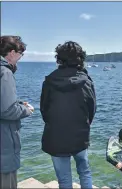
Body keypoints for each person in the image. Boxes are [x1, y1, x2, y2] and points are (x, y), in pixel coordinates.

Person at [40, 41, 96, 189]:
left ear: (59, 58)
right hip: (79, 135)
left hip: (56, 136)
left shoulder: (50, 81)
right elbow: (91, 110)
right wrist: (84, 124)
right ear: (80, 58)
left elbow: (44, 110)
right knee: (84, 172)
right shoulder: (86, 81)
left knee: (64, 180)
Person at [0, 36, 34, 189]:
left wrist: (18, 103)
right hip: (4, 144)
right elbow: (7, 110)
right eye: (21, 53)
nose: (21, 57)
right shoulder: (5, 73)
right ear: (12, 53)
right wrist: (25, 110)